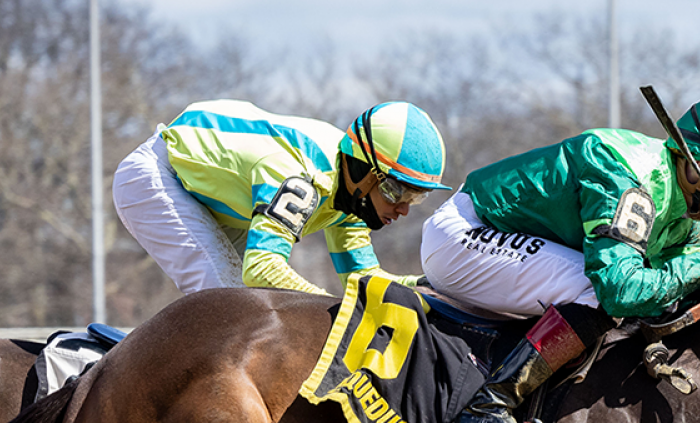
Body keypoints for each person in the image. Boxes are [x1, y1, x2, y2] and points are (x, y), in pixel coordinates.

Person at [420, 93, 700, 423]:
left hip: (503, 242)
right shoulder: (625, 176)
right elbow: (620, 291)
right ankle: (488, 407)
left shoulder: (683, 211)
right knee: (595, 289)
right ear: (698, 166)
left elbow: (683, 282)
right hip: (464, 235)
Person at [111, 98, 448, 296]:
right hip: (156, 175)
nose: (403, 209)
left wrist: (425, 287)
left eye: (415, 198)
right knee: (232, 302)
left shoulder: (351, 196)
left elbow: (360, 281)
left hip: (209, 196)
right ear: (364, 172)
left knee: (244, 307)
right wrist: (329, 311)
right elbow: (262, 269)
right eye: (396, 191)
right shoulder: (302, 178)